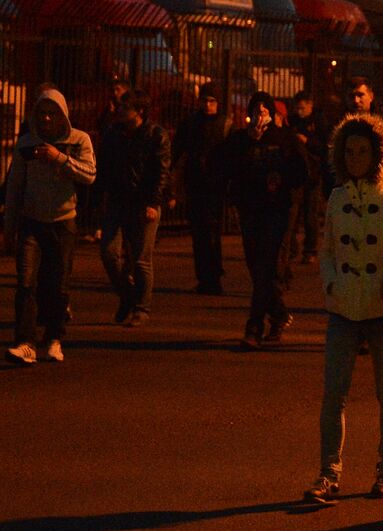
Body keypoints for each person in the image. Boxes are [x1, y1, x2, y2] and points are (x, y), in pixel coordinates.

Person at [304, 112, 383, 505]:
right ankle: (328, 474)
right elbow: (327, 250)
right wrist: (332, 282)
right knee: (334, 394)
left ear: (377, 154)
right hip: (343, 310)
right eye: (350, 151)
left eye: (363, 151)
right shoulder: (337, 198)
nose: (356, 157)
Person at [5, 87, 96, 365]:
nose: (46, 118)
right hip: (32, 222)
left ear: (62, 115)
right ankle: (25, 342)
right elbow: (14, 186)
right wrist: (9, 229)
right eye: (42, 113)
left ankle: (55, 337)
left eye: (52, 113)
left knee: (58, 284)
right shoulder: (26, 144)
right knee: (26, 282)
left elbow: (90, 174)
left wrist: (59, 158)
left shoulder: (78, 140)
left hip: (62, 222)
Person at [223, 92, 308, 348]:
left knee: (266, 267)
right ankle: (279, 313)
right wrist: (248, 143)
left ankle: (254, 326)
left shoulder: (285, 139)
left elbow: (303, 170)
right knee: (255, 266)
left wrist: (283, 181)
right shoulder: (240, 139)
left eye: (264, 110)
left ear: (271, 113)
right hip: (250, 209)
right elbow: (224, 167)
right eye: (255, 110)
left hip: (276, 210)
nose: (260, 115)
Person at [95, 89, 170, 328]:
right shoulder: (113, 134)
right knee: (109, 252)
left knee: (141, 259)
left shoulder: (155, 135)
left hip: (143, 202)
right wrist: (101, 199)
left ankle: (141, 308)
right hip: (118, 200)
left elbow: (161, 172)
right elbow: (104, 167)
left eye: (125, 107)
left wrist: (153, 203)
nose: (120, 110)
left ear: (139, 111)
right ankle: (128, 295)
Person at [171, 83, 231, 295]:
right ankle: (205, 276)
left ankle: (212, 276)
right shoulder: (190, 124)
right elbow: (177, 151)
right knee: (199, 232)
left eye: (212, 101)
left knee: (212, 231)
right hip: (196, 183)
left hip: (215, 185)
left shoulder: (225, 125)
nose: (208, 105)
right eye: (205, 101)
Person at [288, 91, 329, 265]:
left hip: (313, 173)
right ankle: (291, 248)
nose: (299, 111)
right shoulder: (293, 121)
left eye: (302, 108)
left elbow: (325, 146)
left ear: (310, 105)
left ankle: (310, 250)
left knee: (310, 213)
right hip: (296, 173)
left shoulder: (319, 121)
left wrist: (307, 141)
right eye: (297, 108)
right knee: (292, 213)